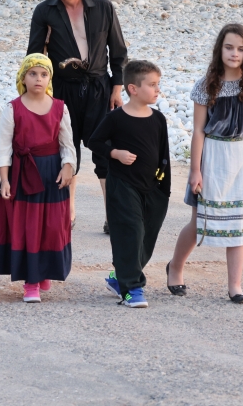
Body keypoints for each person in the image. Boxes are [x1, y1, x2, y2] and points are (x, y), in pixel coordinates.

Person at [27, 0, 127, 233]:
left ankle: (112, 216)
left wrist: (117, 89)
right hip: (63, 89)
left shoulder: (103, 7)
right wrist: (39, 96)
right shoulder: (45, 11)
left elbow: (118, 52)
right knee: (66, 150)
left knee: (105, 151)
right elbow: (34, 57)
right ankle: (68, 213)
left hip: (99, 88)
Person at [167, 24, 243, 304]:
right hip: (214, 156)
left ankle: (235, 285)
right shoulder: (207, 84)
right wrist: (195, 170)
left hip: (241, 156)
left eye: (241, 49)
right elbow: (198, 130)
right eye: (229, 47)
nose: (235, 54)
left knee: (238, 223)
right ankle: (175, 267)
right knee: (200, 222)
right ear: (219, 49)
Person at [88, 60, 172, 309]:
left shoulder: (158, 119)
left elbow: (164, 156)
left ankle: (119, 277)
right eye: (153, 85)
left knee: (146, 238)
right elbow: (95, 141)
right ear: (133, 89)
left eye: (158, 84)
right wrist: (115, 154)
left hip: (152, 188)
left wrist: (163, 190)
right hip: (123, 186)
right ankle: (132, 289)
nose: (158, 90)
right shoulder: (116, 118)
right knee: (131, 233)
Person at [0, 54, 75, 303]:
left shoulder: (60, 107)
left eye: (44, 74)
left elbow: (67, 144)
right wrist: (5, 180)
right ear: (23, 77)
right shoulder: (13, 108)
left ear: (49, 78)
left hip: (52, 175)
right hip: (23, 174)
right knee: (27, 227)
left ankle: (45, 270)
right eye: (32, 74)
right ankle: (31, 281)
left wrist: (68, 166)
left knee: (50, 227)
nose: (38, 79)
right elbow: (3, 148)